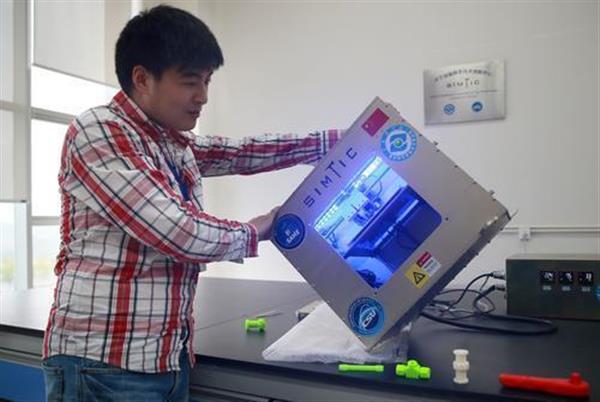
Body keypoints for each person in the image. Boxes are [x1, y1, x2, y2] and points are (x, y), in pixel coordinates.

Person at [41, 5, 341, 401]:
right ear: (142, 79)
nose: (202, 97)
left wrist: (332, 143)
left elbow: (241, 152)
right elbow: (177, 231)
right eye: (189, 82)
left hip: (165, 357)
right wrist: (257, 229)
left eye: (207, 81)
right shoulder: (99, 132)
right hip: (102, 364)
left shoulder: (170, 142)